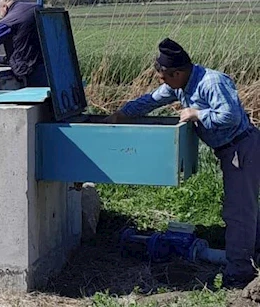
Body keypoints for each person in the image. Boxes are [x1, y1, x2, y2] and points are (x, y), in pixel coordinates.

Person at [106, 38, 260, 288]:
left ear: (178, 73)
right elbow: (151, 100)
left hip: (242, 149)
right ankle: (253, 249)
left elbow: (230, 116)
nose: (163, 83)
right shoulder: (178, 84)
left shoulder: (212, 82)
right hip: (229, 150)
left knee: (239, 211)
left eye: (165, 78)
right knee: (244, 205)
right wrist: (122, 114)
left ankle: (239, 274)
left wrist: (197, 113)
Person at [0, 0, 47, 87]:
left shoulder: (9, 20)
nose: (1, 16)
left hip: (27, 67)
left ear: (5, 7)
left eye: (0, 12)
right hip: (46, 63)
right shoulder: (37, 8)